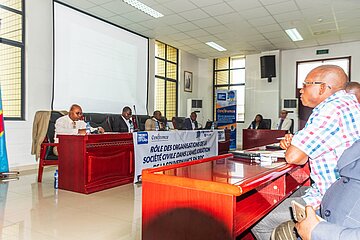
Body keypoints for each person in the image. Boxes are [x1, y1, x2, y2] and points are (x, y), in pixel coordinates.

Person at [252, 65, 360, 239]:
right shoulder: (349, 104)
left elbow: (295, 157)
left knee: (259, 220)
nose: (300, 90)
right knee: (286, 194)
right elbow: (302, 153)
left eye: (305, 84)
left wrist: (294, 147)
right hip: (347, 193)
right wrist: (295, 145)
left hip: (330, 196)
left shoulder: (330, 109)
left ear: (322, 87)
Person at [272, 140, 360, 240]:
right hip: (327, 213)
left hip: (334, 229)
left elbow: (294, 156)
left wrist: (316, 231)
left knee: (265, 220)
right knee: (281, 230)